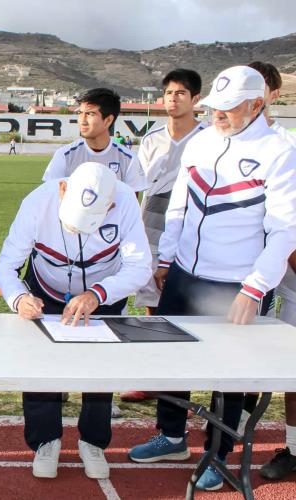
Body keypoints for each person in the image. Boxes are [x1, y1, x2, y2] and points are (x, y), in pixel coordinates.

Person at [128, 65, 296, 491]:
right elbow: (180, 205)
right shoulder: (202, 141)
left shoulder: (280, 151)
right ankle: (171, 436)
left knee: (230, 377)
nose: (217, 115)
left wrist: (254, 287)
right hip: (184, 272)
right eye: (214, 107)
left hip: (235, 284)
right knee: (166, 357)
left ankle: (218, 455)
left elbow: (284, 230)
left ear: (257, 104)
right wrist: (166, 259)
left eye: (228, 108)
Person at [0, 161, 152, 481]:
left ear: (111, 204)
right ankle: (45, 440)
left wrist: (98, 294)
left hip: (102, 295)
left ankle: (93, 442)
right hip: (45, 289)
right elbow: (6, 266)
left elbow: (139, 267)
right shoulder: (37, 203)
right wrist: (19, 298)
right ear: (63, 189)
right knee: (40, 367)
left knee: (99, 371)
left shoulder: (125, 202)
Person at [122, 69, 204, 403]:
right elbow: (136, 190)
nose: (173, 99)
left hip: (191, 229)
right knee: (151, 304)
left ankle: (186, 376)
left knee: (191, 307)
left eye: (181, 93)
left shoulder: (208, 138)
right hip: (150, 224)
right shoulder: (152, 138)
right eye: (169, 93)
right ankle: (154, 377)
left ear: (195, 99)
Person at [247, 61, 296, 481]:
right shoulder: (285, 148)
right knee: (294, 370)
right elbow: (284, 223)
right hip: (294, 275)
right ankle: (295, 449)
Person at [42, 88, 147, 193]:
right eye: (80, 112)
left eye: (90, 114)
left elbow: (131, 203)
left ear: (108, 120)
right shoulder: (64, 155)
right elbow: (49, 196)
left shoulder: (129, 159)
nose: (82, 120)